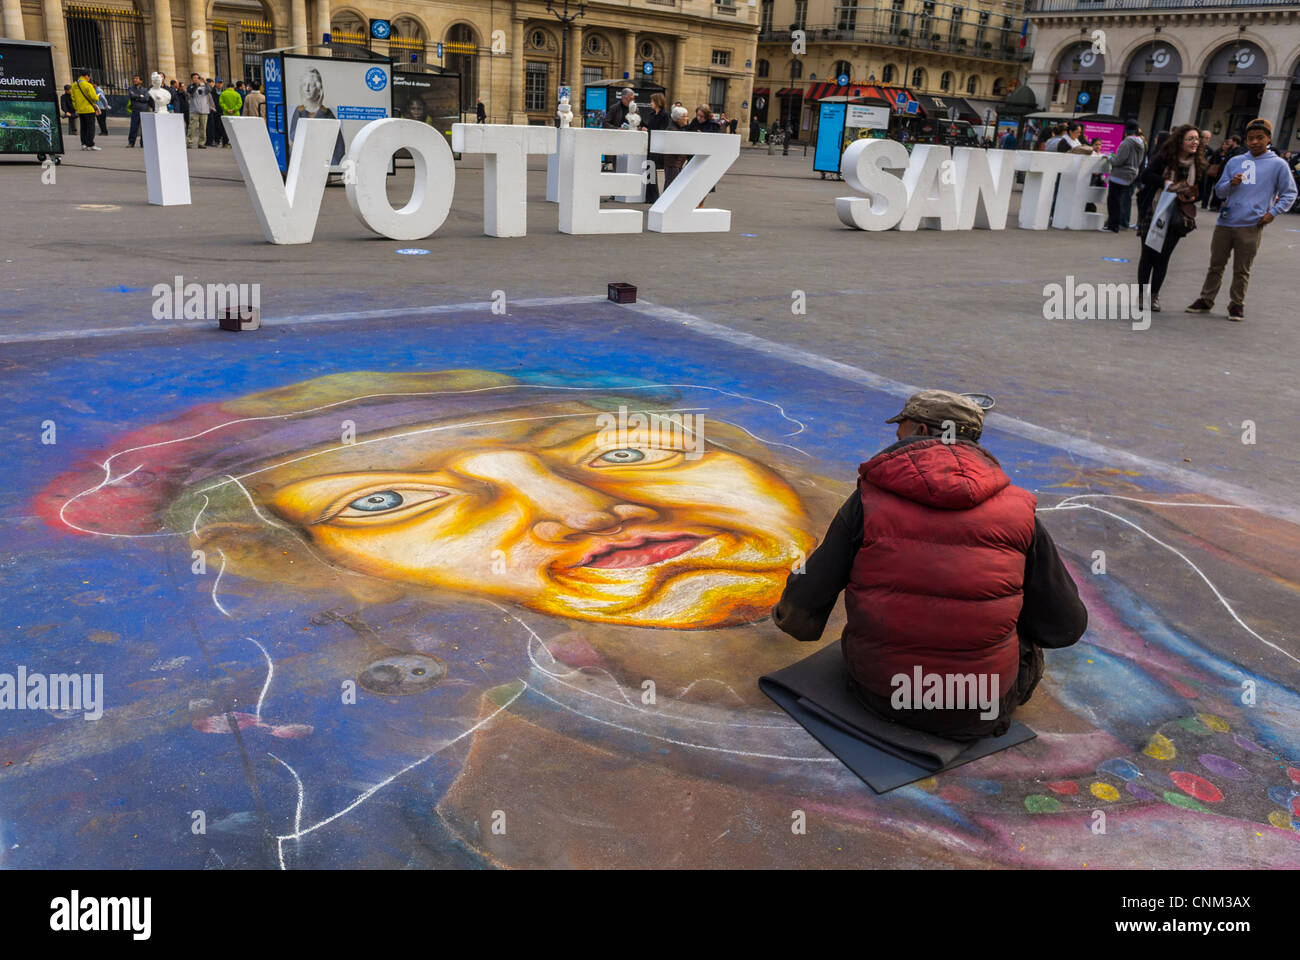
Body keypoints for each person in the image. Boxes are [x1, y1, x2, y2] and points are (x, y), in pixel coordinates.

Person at [773, 390, 1087, 741]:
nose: (895, 440)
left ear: (921, 430)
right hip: (979, 711)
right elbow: (1065, 627)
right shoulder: (1019, 509)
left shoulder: (868, 499)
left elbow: (802, 607)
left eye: (900, 430)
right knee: (1019, 613)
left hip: (881, 697)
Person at [1185, 118, 1298, 321]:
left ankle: (1236, 304)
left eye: (1259, 138)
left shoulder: (1278, 164)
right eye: (1251, 138)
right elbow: (1219, 191)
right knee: (1216, 265)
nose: (1254, 142)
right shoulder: (1235, 161)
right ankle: (1206, 299)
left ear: (1269, 138)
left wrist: (1273, 212)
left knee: (1242, 269)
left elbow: (1290, 193)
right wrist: (1231, 183)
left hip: (1252, 224)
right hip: (1226, 221)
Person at [1135, 124, 1203, 313]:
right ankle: (1141, 295)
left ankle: (1154, 296)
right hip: (1156, 209)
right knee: (1148, 255)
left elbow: (1202, 191)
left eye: (1196, 139)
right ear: (1180, 141)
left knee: (1163, 257)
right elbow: (1146, 175)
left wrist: (1191, 195)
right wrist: (1165, 183)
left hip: (1178, 216)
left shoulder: (1197, 164)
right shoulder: (1165, 158)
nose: (1194, 142)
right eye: (1190, 139)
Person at [287, 67, 345, 165]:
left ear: (318, 89)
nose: (307, 89)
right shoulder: (299, 111)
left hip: (321, 164)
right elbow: (293, 139)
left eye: (311, 85)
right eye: (304, 85)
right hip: (303, 164)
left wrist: (329, 165)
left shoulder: (327, 113)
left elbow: (339, 147)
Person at [1105, 120, 1145, 232]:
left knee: (1113, 201)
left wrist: (1109, 157)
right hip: (1131, 174)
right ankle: (1117, 224)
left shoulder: (1126, 142)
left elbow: (1118, 160)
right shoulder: (1141, 143)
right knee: (1122, 200)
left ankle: (1113, 226)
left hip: (1119, 175)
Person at [640, 92, 669, 205]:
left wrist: (647, 131)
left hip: (657, 146)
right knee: (649, 170)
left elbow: (661, 131)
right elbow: (650, 126)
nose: (650, 103)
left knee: (652, 169)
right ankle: (650, 196)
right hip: (650, 145)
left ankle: (654, 196)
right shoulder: (652, 114)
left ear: (658, 102)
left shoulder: (664, 115)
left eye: (652, 101)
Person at [68, 70, 101, 150]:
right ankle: (90, 144)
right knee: (90, 127)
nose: (89, 78)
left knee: (83, 128)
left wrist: (77, 108)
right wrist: (97, 96)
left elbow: (73, 98)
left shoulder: (74, 85)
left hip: (80, 110)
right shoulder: (88, 85)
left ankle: (84, 144)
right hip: (88, 109)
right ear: (86, 76)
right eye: (89, 77)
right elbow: (94, 97)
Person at [661, 105, 690, 191]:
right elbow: (676, 147)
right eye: (685, 116)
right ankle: (665, 203)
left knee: (672, 186)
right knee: (670, 187)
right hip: (673, 163)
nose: (687, 118)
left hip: (676, 163)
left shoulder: (679, 128)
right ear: (678, 118)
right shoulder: (673, 130)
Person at [187, 74, 211, 148]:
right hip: (194, 111)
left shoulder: (204, 87)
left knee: (203, 128)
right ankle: (189, 143)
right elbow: (191, 92)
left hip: (204, 110)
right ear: (192, 79)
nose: (196, 79)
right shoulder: (190, 87)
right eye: (194, 78)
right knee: (192, 128)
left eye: (197, 78)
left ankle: (201, 143)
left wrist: (205, 82)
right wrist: (196, 85)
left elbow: (210, 90)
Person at [126, 75, 149, 147]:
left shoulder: (145, 90)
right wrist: (140, 96)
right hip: (135, 110)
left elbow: (146, 99)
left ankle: (143, 143)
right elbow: (132, 96)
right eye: (134, 78)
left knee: (144, 127)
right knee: (133, 127)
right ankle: (131, 142)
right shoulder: (131, 88)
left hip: (144, 110)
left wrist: (137, 98)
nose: (135, 80)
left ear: (141, 81)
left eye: (137, 79)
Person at [217, 81, 242, 145]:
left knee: (226, 128)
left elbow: (221, 103)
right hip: (235, 114)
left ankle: (225, 142)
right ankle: (235, 142)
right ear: (233, 87)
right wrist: (233, 110)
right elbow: (239, 104)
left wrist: (227, 109)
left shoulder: (223, 94)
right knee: (235, 129)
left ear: (227, 87)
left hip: (226, 113)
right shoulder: (237, 94)